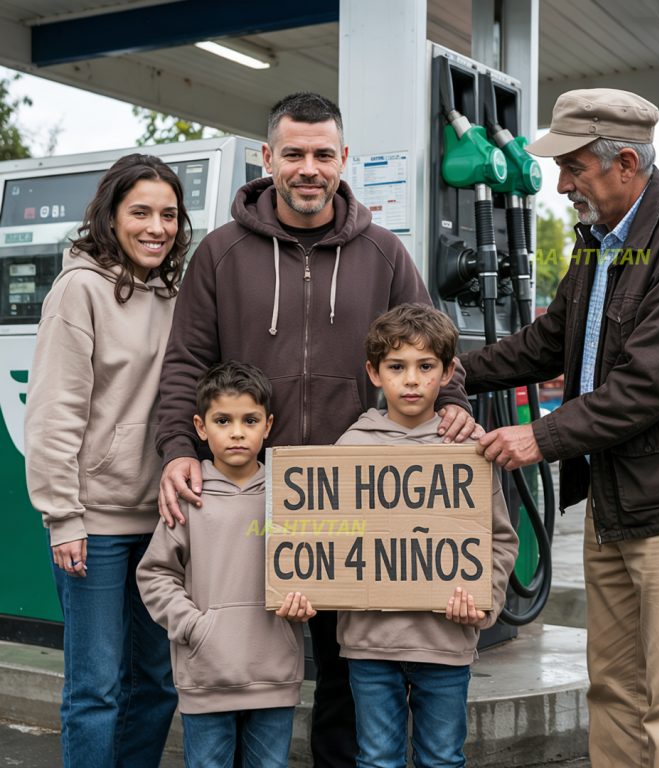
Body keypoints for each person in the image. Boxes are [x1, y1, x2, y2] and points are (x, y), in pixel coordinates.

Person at [154, 91, 477, 766]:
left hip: (353, 494)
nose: (309, 168)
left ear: (343, 159)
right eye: (293, 153)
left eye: (323, 154)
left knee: (346, 671)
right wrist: (178, 451)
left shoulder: (385, 252)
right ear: (267, 157)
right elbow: (186, 362)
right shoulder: (219, 253)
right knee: (250, 658)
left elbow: (430, 343)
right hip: (252, 490)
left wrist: (453, 399)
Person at [459, 88, 659, 768]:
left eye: (573, 168)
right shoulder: (601, 247)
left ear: (625, 162)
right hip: (616, 496)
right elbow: (545, 342)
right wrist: (448, 374)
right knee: (614, 687)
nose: (561, 185)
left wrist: (541, 436)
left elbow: (648, 384)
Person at [24, 153, 191, 768]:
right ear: (111, 216)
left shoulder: (177, 293)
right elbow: (54, 412)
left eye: (169, 215)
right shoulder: (79, 289)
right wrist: (62, 517)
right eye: (140, 212)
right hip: (92, 526)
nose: (156, 227)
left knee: (157, 683)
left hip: (162, 522)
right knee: (95, 688)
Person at [335, 303, 518, 768]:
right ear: (374, 373)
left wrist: (485, 598)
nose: (411, 380)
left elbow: (500, 538)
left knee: (441, 759)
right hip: (369, 643)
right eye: (397, 367)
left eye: (425, 367)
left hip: (446, 639)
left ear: (448, 372)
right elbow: (325, 538)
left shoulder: (470, 451)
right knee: (377, 759)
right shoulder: (348, 448)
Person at [137, 361, 315, 768]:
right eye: (223, 420)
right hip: (206, 676)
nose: (237, 431)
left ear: (267, 425)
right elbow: (156, 573)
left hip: (274, 675)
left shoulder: (291, 494)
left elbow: (315, 568)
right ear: (200, 427)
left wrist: (306, 601)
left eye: (249, 420)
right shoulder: (188, 495)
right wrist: (194, 627)